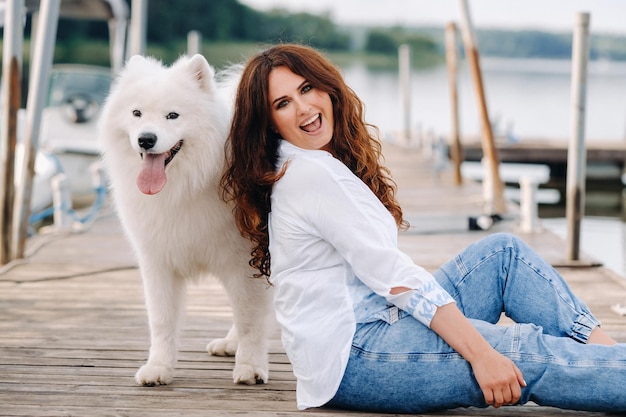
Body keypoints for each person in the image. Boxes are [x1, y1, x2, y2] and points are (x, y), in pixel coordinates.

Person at [221, 43, 626, 414]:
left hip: (379, 322)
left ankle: (610, 362)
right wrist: (483, 355)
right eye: (283, 103)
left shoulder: (313, 162)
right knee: (524, 352)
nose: (304, 107)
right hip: (356, 356)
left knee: (503, 255)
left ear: (327, 88)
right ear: (270, 122)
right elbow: (396, 278)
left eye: (307, 88)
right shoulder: (309, 175)